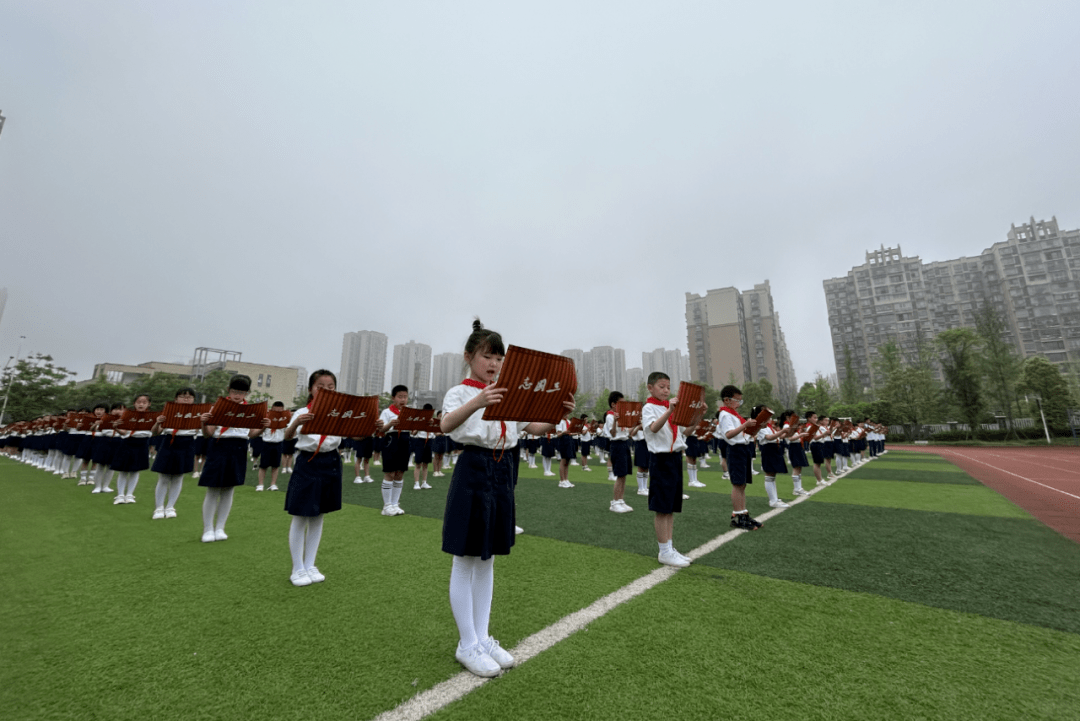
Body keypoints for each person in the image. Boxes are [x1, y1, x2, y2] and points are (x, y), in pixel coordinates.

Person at [440, 319, 573, 678]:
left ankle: (482, 638)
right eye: (487, 355)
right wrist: (478, 400)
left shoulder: (509, 392)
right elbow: (446, 425)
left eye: (499, 357)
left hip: (502, 470)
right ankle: (466, 642)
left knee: (488, 558)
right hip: (473, 468)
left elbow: (531, 427)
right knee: (465, 558)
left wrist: (558, 413)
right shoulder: (459, 391)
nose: (494, 363)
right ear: (469, 357)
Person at [283, 370, 343, 586]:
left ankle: (310, 564)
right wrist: (296, 422)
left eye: (331, 387)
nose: (326, 391)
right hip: (307, 463)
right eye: (320, 386)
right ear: (311, 389)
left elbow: (356, 435)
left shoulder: (339, 413)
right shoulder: (301, 411)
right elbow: (287, 436)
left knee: (319, 515)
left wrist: (370, 429)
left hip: (331, 463)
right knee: (300, 515)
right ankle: (297, 567)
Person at [197, 375, 270, 543]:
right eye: (235, 391)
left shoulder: (250, 410)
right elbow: (208, 433)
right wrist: (203, 423)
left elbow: (251, 434)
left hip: (239, 448)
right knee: (213, 489)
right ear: (229, 391)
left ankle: (220, 527)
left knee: (229, 489)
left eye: (242, 392)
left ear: (247, 393)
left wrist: (262, 427)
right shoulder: (218, 407)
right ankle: (208, 529)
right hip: (219, 446)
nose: (238, 395)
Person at [641, 372, 691, 567]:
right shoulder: (649, 407)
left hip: (675, 458)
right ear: (651, 388)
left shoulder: (669, 407)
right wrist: (670, 411)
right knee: (662, 508)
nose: (666, 390)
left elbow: (685, 431)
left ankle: (669, 547)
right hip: (660, 459)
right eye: (661, 386)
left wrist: (697, 415)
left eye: (668, 387)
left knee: (670, 507)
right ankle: (663, 551)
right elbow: (653, 428)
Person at [717, 385, 762, 530]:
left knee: (742, 484)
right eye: (737, 400)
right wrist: (746, 425)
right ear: (727, 400)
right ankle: (737, 515)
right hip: (735, 450)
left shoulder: (735, 415)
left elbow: (745, 434)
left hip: (743, 448)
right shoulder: (725, 415)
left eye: (740, 401)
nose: (739, 403)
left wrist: (756, 427)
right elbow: (729, 434)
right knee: (737, 484)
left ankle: (743, 512)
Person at [150, 387, 199, 519]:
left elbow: (203, 433)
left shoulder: (197, 414)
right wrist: (157, 422)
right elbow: (156, 432)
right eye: (183, 396)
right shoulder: (168, 412)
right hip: (169, 442)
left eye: (189, 397)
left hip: (187, 443)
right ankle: (159, 508)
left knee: (178, 477)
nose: (186, 399)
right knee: (164, 477)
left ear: (193, 400)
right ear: (176, 399)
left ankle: (170, 507)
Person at [377, 385, 411, 516]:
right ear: (393, 398)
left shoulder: (409, 412)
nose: (403, 399)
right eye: (400, 397)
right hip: (391, 441)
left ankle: (395, 504)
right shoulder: (386, 412)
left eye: (405, 397)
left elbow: (413, 431)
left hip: (405, 441)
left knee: (400, 474)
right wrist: (391, 424)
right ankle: (386, 506)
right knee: (390, 473)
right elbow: (381, 430)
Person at [754, 405, 795, 509]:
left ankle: (775, 499)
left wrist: (788, 432)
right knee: (769, 475)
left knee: (772, 476)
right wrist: (783, 431)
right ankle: (773, 500)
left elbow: (778, 437)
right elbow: (769, 437)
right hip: (768, 450)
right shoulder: (760, 425)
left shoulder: (768, 426)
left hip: (774, 449)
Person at [603, 391, 633, 513]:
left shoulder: (623, 415)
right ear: (613, 404)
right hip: (617, 444)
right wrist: (615, 421)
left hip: (625, 444)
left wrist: (637, 423)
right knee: (620, 475)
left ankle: (621, 500)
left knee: (624, 474)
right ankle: (614, 502)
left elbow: (628, 432)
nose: (624, 405)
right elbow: (613, 433)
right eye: (621, 403)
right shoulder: (610, 416)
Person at [256, 402, 288, 491]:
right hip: (267, 443)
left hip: (278, 443)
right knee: (263, 465)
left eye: (280, 410)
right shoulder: (266, 418)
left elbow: (287, 430)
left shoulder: (284, 419)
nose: (277, 412)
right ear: (272, 409)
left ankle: (273, 484)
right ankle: (260, 485)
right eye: (275, 410)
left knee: (276, 465)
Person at [412, 404, 435, 490]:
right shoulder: (418, 420)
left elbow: (436, 432)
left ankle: (424, 482)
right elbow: (413, 433)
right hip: (420, 441)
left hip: (429, 440)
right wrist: (421, 425)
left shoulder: (433, 420)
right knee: (418, 463)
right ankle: (416, 483)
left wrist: (432, 424)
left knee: (426, 463)